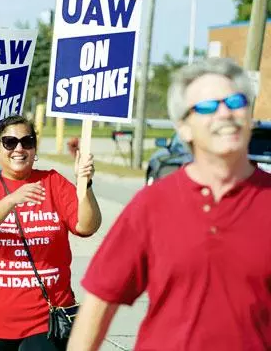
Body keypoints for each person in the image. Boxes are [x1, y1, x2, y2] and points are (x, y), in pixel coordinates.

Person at [67, 58, 271, 350]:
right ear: (184, 129)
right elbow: (100, 302)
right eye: (207, 107)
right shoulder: (152, 204)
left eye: (235, 101)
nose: (225, 113)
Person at [0, 115, 102, 350]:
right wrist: (11, 200)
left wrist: (85, 184)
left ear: (34, 148)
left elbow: (86, 226)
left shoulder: (52, 182)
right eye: (10, 142)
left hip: (46, 319)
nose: (19, 148)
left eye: (26, 141)